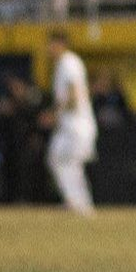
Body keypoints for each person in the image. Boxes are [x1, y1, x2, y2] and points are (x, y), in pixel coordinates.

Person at [46, 30, 98, 216]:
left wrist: (55, 114)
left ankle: (82, 205)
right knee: (58, 158)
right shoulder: (63, 63)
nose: (48, 49)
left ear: (60, 43)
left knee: (69, 163)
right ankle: (76, 202)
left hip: (76, 124)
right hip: (69, 124)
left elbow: (74, 94)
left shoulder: (69, 62)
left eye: (51, 44)